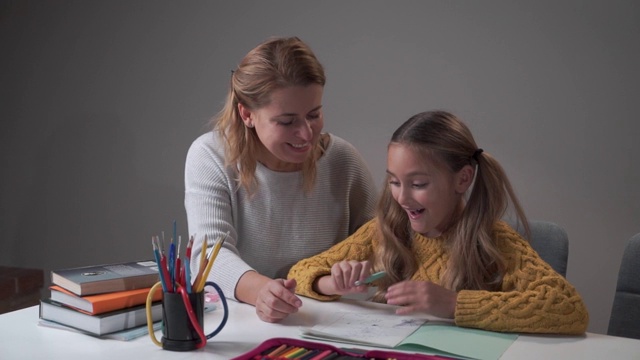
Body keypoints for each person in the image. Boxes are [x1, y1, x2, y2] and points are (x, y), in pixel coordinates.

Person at [288, 110, 589, 334]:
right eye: (394, 182)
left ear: (463, 179)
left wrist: (455, 304)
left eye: (418, 183)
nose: (402, 198)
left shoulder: (494, 239)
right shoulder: (387, 229)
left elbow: (569, 308)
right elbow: (299, 272)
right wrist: (330, 283)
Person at [184, 36, 378, 323]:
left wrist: (356, 271)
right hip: (242, 320)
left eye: (314, 114)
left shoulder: (343, 160)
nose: (306, 133)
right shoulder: (210, 155)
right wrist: (262, 291)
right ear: (247, 114)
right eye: (287, 121)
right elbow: (209, 255)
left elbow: (383, 241)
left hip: (329, 321)